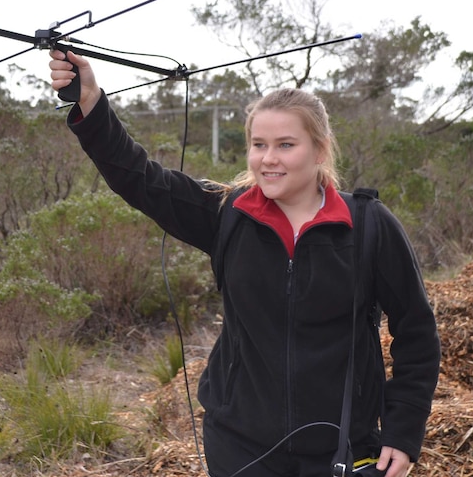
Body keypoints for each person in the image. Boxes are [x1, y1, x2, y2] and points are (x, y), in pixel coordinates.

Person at [48, 49, 441, 477]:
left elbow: (416, 332)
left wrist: (402, 433)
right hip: (240, 447)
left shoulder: (367, 226)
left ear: (320, 150)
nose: (268, 159)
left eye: (286, 145)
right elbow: (140, 177)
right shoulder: (229, 215)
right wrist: (90, 103)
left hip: (341, 446)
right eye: (258, 145)